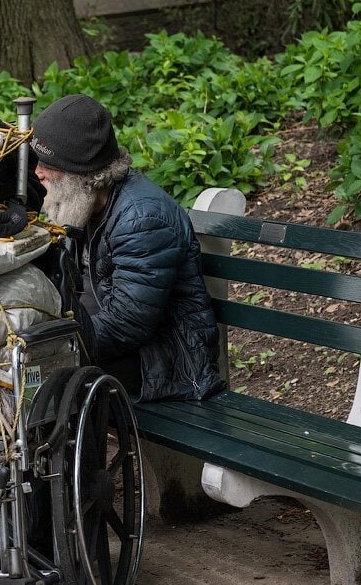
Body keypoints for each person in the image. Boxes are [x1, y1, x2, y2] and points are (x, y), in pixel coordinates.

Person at [30, 93, 224, 402]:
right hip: (108, 343)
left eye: (49, 165)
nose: (38, 172)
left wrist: (55, 343)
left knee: (44, 377)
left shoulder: (143, 217)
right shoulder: (83, 203)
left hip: (162, 364)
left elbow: (128, 324)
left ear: (82, 173)